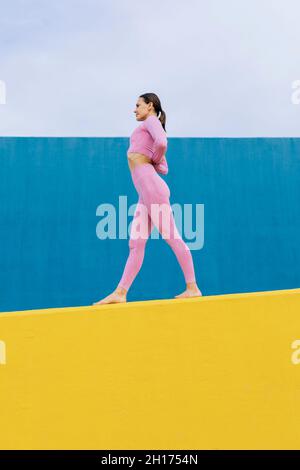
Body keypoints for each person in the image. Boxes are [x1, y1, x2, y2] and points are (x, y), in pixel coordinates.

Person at [92, 93, 202, 305]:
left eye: (137, 105)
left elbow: (162, 142)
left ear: (150, 106)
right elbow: (165, 167)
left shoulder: (151, 121)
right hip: (146, 192)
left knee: (171, 236)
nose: (134, 109)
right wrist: (153, 159)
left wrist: (153, 158)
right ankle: (121, 293)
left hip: (153, 189)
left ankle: (192, 287)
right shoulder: (145, 130)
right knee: (136, 242)